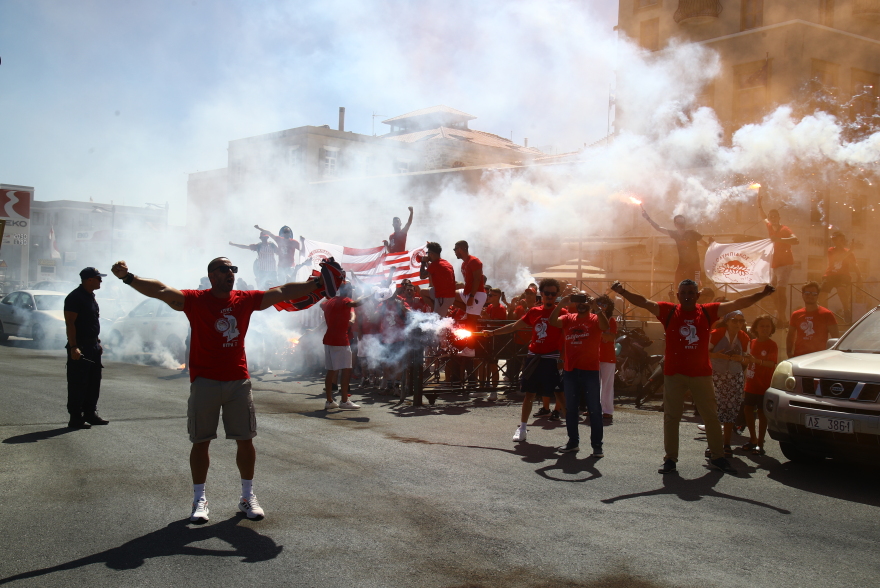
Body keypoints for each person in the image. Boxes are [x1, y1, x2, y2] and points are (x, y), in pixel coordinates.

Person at [110, 256, 327, 523]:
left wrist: (315, 284)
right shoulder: (195, 300)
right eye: (225, 270)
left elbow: (281, 292)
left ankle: (247, 497)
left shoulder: (244, 299)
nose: (231, 274)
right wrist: (128, 277)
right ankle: (199, 500)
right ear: (212, 275)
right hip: (205, 382)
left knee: (245, 440)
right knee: (201, 442)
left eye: (233, 269)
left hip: (238, 380)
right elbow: (161, 291)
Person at [611, 279, 774, 475]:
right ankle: (670, 459)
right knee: (671, 417)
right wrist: (623, 292)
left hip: (701, 374)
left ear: (697, 296)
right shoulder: (668, 311)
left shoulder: (707, 311)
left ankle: (717, 456)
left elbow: (738, 304)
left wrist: (762, 294)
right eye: (684, 292)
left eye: (691, 292)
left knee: (711, 417)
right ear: (678, 296)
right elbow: (644, 302)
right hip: (674, 374)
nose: (687, 295)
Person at [483, 278, 567, 443]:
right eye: (547, 293)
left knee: (559, 395)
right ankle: (522, 428)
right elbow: (514, 326)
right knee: (529, 394)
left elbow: (567, 337)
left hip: (552, 358)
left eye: (553, 293)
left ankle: (572, 435)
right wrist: (492, 333)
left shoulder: (563, 313)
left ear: (557, 295)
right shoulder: (534, 311)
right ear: (541, 294)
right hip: (534, 357)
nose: (550, 296)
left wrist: (563, 358)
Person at [549, 293, 609, 456]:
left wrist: (596, 307)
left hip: (590, 370)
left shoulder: (595, 318)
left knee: (594, 409)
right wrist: (561, 302)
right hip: (571, 370)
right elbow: (552, 321)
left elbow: (605, 327)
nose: (582, 304)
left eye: (585, 301)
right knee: (571, 408)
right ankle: (573, 442)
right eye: (579, 301)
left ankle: (597, 446)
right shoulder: (569, 318)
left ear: (590, 304)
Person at [63, 267, 109, 429]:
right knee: (78, 382)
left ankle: (90, 413)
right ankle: (76, 417)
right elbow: (70, 323)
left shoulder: (90, 297)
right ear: (89, 279)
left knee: (93, 381)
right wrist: (74, 346)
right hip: (80, 346)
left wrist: (97, 342)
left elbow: (91, 322)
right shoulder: (75, 297)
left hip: (92, 346)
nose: (101, 281)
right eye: (98, 278)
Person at [708, 311, 751, 457]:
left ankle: (726, 444)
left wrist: (741, 358)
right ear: (727, 321)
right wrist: (717, 355)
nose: (738, 324)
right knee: (715, 410)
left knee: (730, 410)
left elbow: (747, 359)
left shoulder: (744, 337)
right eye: (734, 320)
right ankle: (712, 444)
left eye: (741, 321)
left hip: (735, 375)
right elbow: (703, 353)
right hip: (717, 375)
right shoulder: (716, 334)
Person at [321, 283, 365, 410]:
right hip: (340, 340)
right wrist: (368, 295)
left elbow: (321, 304)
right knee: (346, 370)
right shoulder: (346, 300)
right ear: (349, 291)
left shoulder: (329, 302)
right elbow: (356, 304)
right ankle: (344, 400)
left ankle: (329, 401)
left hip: (329, 338)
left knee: (331, 370)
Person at [757, 195, 799, 327]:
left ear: (779, 218)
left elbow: (796, 240)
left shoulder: (784, 229)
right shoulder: (769, 226)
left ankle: (783, 317)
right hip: (775, 264)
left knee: (781, 291)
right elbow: (762, 215)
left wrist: (779, 239)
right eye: (771, 216)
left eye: (775, 216)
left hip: (785, 264)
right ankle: (781, 315)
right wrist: (759, 202)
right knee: (771, 291)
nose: (772, 218)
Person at [641, 207, 709, 285]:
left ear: (685, 223)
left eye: (682, 222)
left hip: (695, 266)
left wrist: (711, 244)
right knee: (679, 286)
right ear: (675, 224)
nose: (681, 224)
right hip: (682, 265)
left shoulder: (692, 233)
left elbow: (705, 244)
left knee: (696, 286)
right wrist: (648, 218)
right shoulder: (675, 234)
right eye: (679, 222)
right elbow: (658, 228)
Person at [742, 315, 778, 455]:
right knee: (748, 410)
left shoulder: (772, 344)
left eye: (767, 326)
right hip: (751, 383)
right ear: (756, 328)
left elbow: (772, 364)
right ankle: (753, 438)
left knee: (762, 413)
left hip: (764, 384)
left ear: (771, 329)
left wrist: (757, 361)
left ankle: (761, 442)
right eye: (762, 326)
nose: (764, 328)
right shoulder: (751, 342)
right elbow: (746, 361)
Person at [819, 231, 862, 325]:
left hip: (843, 276)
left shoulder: (849, 252)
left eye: (841, 239)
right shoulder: (831, 250)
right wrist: (851, 250)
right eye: (836, 239)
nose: (839, 241)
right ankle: (824, 314)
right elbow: (837, 259)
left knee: (841, 290)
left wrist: (859, 276)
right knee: (822, 295)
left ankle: (846, 311)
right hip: (830, 275)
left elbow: (855, 264)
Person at [788, 281, 839, 358]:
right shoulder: (796, 315)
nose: (810, 296)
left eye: (814, 294)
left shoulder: (827, 314)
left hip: (819, 358)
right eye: (807, 293)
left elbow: (835, 338)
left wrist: (831, 356)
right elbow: (790, 336)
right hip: (799, 357)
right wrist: (789, 352)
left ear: (817, 296)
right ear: (802, 294)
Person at [452, 240, 488, 331]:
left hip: (476, 294)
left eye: (455, 249)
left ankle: (471, 345)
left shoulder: (474, 261)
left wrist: (472, 296)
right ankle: (469, 311)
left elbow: (477, 279)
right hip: (466, 292)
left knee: (470, 327)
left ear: (460, 249)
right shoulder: (464, 263)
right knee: (447, 295)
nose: (454, 252)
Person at [595, 294, 618, 421]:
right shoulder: (592, 318)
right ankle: (593, 408)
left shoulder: (611, 320)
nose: (602, 307)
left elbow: (611, 337)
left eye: (604, 305)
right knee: (593, 384)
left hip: (608, 357)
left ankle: (607, 410)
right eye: (599, 304)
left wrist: (599, 333)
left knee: (607, 385)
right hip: (594, 356)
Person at [419, 241, 457, 316]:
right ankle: (437, 309)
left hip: (443, 297)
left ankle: (439, 312)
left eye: (428, 253)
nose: (427, 255)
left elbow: (422, 276)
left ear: (432, 254)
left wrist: (423, 262)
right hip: (448, 294)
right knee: (423, 292)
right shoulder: (445, 262)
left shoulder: (435, 265)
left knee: (437, 321)